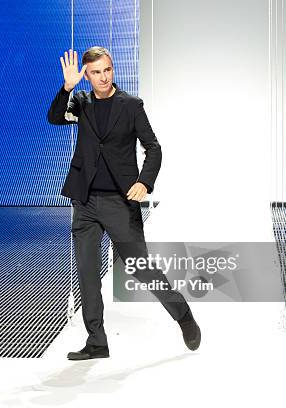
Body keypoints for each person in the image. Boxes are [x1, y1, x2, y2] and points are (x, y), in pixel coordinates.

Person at [47, 47, 201, 360]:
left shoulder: (130, 105)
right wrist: (67, 87)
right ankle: (97, 342)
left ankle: (182, 314)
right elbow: (54, 118)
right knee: (87, 275)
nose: (103, 77)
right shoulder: (80, 102)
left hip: (120, 200)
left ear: (112, 70)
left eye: (107, 70)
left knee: (139, 268)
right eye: (95, 72)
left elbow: (153, 148)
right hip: (85, 200)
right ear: (87, 75)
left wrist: (144, 182)